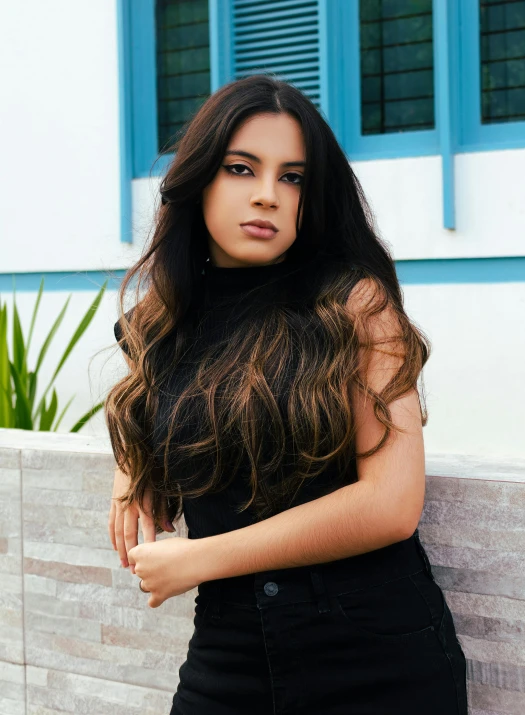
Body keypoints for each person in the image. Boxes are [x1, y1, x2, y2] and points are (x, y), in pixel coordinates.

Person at [105, 74, 467, 715]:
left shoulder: (355, 306)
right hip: (229, 653)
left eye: (293, 177)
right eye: (242, 168)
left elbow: (391, 503)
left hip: (375, 657)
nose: (268, 196)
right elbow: (160, 399)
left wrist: (201, 559)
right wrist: (131, 464)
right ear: (200, 181)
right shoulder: (163, 323)